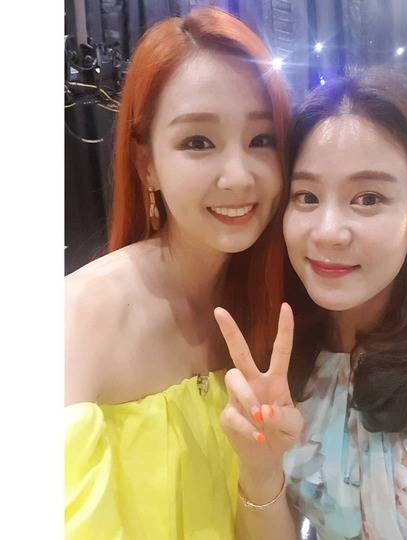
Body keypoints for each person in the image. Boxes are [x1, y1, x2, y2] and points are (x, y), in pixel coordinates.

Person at [214, 69, 407, 540]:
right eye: (307, 196)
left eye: (368, 198)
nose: (328, 232)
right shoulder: (285, 364)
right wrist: (259, 467)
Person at [64, 7, 290, 539]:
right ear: (147, 165)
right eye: (198, 142)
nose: (239, 176)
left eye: (262, 140)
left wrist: (262, 471)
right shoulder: (75, 321)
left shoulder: (274, 309)